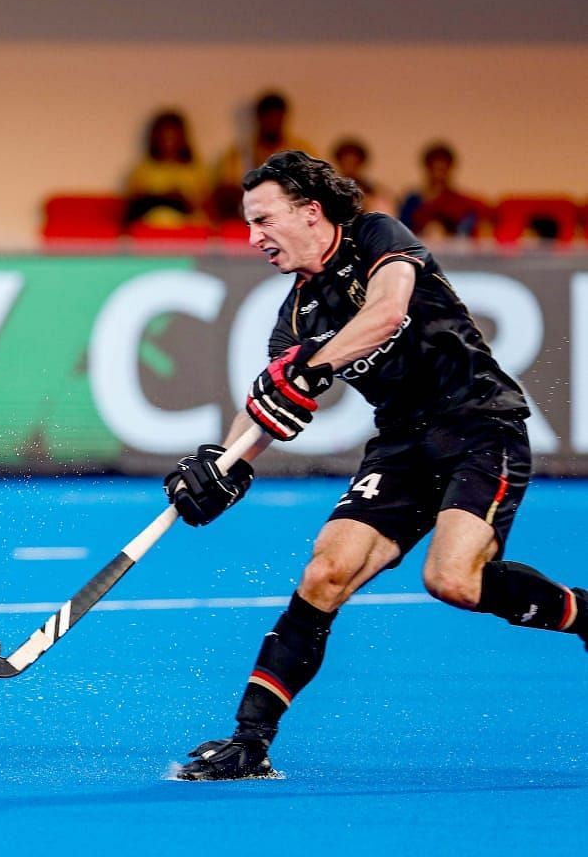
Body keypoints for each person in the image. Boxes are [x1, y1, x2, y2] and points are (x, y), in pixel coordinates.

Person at [163, 150, 588, 781]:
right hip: (401, 445)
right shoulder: (296, 317)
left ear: (312, 213)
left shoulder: (376, 236)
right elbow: (272, 399)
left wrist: (312, 366)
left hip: (479, 426)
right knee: (325, 572)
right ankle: (249, 742)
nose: (253, 238)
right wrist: (226, 464)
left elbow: (386, 313)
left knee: (453, 581)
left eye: (263, 220)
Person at [212, 91, 316, 223]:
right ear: (259, 118)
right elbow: (226, 188)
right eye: (268, 118)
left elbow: (314, 187)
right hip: (247, 221)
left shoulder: (301, 151)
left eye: (276, 118)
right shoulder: (240, 152)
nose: (272, 123)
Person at [122, 110, 210, 228]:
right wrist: (164, 197)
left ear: (182, 138)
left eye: (173, 136)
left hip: (189, 231)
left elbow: (203, 204)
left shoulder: (197, 170)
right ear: (155, 138)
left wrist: (182, 198)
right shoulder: (142, 169)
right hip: (152, 230)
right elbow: (135, 202)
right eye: (165, 136)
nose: (169, 141)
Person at [398, 141, 490, 238]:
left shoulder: (461, 202)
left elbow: (481, 219)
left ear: (450, 170)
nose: (438, 175)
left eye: (442, 170)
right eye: (434, 169)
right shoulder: (413, 201)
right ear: (427, 169)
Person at [329, 137, 393, 216]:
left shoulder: (372, 188)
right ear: (339, 162)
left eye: (353, 162)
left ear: (360, 163)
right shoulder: (330, 186)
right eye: (346, 161)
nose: (350, 166)